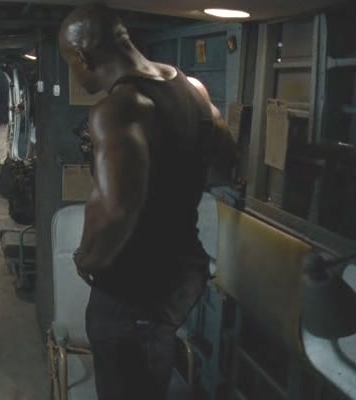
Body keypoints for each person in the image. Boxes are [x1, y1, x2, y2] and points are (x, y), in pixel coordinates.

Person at [59, 4, 239, 399]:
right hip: (180, 275)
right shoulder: (193, 89)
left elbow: (117, 209)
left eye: (70, 62)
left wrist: (86, 259)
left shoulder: (118, 108)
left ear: (83, 57)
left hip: (133, 288)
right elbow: (226, 157)